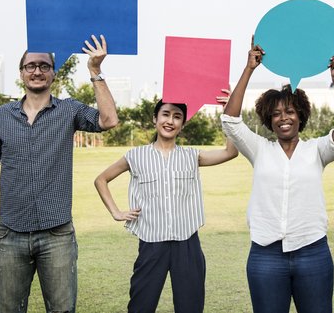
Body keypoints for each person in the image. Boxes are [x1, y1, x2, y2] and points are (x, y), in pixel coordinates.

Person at [0, 34, 118, 313]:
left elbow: (109, 120)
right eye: (30, 66)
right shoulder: (0, 117)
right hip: (10, 234)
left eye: (44, 66)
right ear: (22, 72)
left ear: (53, 72)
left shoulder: (69, 110)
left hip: (57, 235)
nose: (37, 71)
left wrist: (95, 71)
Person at [220, 36, 334, 313]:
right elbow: (230, 120)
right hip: (265, 255)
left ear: (301, 116)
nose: (284, 118)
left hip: (312, 252)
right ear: (269, 119)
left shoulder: (317, 150)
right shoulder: (259, 149)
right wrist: (249, 68)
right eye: (276, 113)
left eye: (290, 111)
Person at [94, 97, 238, 313]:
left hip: (187, 244)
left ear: (182, 124)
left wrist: (229, 113)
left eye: (177, 116)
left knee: (190, 307)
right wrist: (116, 212)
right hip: (152, 244)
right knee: (140, 306)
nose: (170, 121)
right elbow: (101, 179)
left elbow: (230, 152)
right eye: (166, 114)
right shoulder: (135, 156)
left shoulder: (192, 156)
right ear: (155, 118)